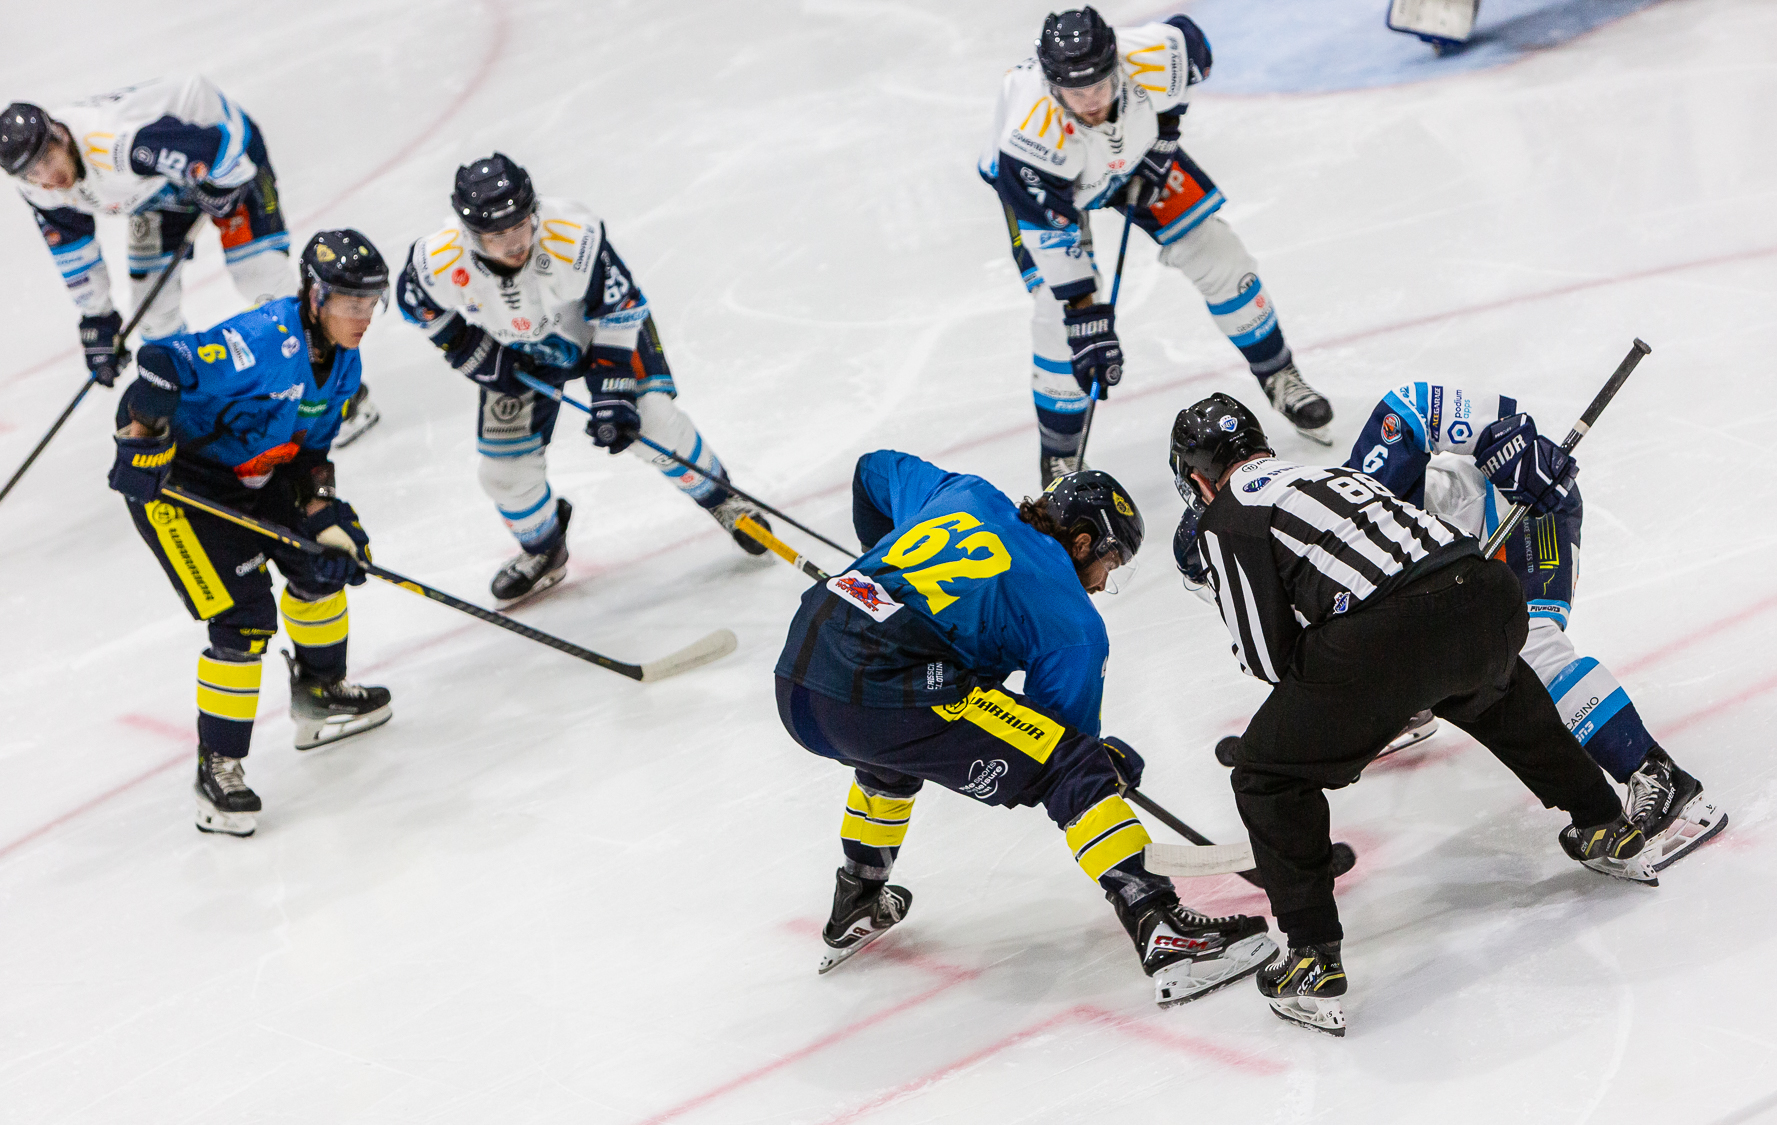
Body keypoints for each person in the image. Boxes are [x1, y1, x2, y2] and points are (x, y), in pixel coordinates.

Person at [1168, 392, 1646, 1036]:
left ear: (1198, 477)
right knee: (1494, 691)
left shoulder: (1229, 515)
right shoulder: (1332, 473)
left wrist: (1359, 712)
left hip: (1388, 637)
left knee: (1265, 775)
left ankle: (1310, 957)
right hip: (1485, 593)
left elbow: (1268, 658)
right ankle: (1604, 821)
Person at [773, 451, 1277, 1006]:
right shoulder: (1070, 616)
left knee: (900, 746)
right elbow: (1063, 743)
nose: (1104, 585)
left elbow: (873, 470)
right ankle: (1164, 928)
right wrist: (1101, 762)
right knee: (1072, 769)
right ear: (1082, 543)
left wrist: (882, 560)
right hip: (885, 684)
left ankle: (859, 897)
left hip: (801, 675)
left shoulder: (966, 493)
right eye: (1110, 564)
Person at [1344, 381, 1726, 870]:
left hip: (1519, 508)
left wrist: (1505, 440)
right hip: (1454, 559)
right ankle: (1411, 703)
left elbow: (1415, 404)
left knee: (1528, 646)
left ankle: (1662, 781)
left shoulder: (1323, 509)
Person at [106, 230, 396, 837]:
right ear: (314, 296)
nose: (363, 316)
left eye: (372, 302)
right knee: (245, 620)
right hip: (180, 490)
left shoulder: (345, 362)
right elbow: (159, 368)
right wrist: (142, 439)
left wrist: (322, 513)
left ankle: (320, 693)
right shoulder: (261, 341)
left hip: (257, 475)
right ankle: (218, 768)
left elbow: (311, 454)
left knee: (323, 565)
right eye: (350, 301)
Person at [980, 7, 1335, 487]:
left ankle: (1278, 374)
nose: (1088, 102)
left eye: (1099, 87)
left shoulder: (1154, 54)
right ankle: (1060, 455)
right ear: (1050, 84)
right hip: (1053, 188)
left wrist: (1164, 142)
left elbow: (1192, 50)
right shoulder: (1028, 135)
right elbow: (1054, 238)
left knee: (1219, 254)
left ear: (1116, 68)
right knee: (1056, 315)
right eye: (1074, 91)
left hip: (1132, 155)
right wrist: (1086, 317)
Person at [395, 154, 771, 602]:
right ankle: (544, 549)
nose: (514, 243)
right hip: (519, 357)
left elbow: (621, 307)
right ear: (470, 234)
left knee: (651, 420)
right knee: (504, 474)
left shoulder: (575, 237)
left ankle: (724, 500)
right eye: (497, 236)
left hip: (601, 337)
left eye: (520, 225)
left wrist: (611, 389)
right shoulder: (438, 258)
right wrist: (469, 351)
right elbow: (413, 300)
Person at [0, 81, 380, 443]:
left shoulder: (116, 144)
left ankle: (342, 399)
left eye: (48, 159)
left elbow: (221, 146)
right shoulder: (39, 188)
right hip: (155, 192)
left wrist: (222, 185)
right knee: (154, 317)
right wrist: (97, 318)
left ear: (61, 137)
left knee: (260, 278)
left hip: (228, 157)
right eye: (32, 172)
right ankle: (189, 413)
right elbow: (73, 250)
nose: (47, 178)